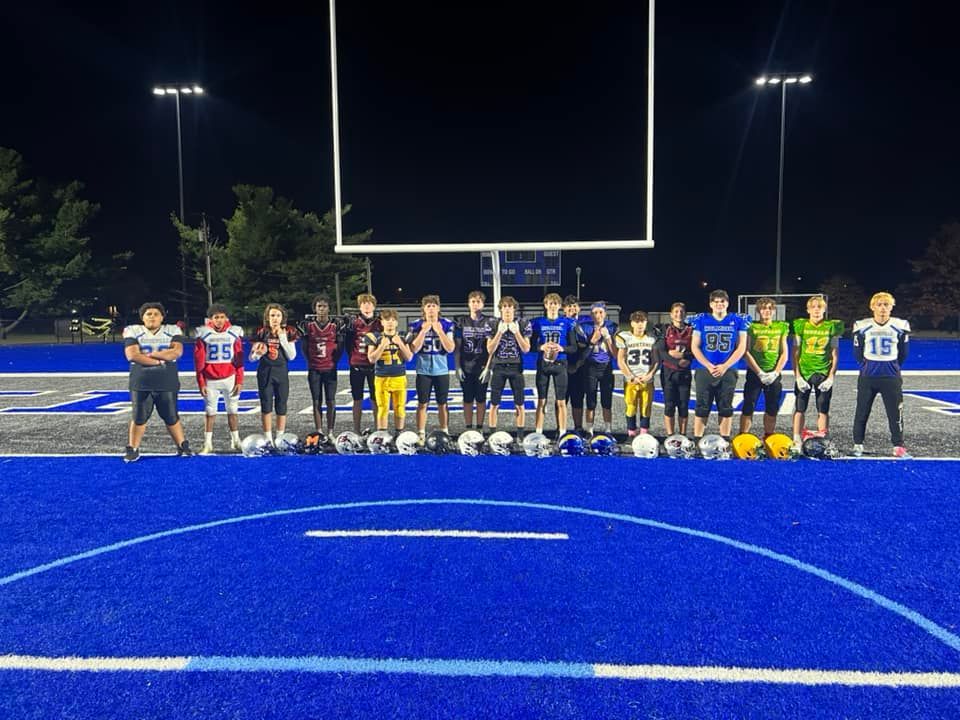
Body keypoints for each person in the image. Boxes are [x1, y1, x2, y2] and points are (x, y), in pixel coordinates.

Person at [122, 302, 192, 462]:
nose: (152, 316)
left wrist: (148, 356)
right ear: (142, 318)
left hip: (166, 380)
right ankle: (133, 448)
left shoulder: (172, 330)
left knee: (171, 415)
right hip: (141, 381)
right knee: (139, 416)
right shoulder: (133, 330)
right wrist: (158, 359)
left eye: (155, 314)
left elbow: (176, 352)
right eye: (148, 314)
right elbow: (132, 355)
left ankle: (182, 445)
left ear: (162, 317)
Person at [852, 292, 911, 458]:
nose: (883, 308)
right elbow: (857, 353)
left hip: (890, 376)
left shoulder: (900, 325)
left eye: (886, 304)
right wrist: (866, 365)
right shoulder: (862, 326)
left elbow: (903, 353)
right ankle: (858, 444)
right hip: (868, 376)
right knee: (862, 412)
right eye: (879, 304)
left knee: (895, 413)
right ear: (872, 307)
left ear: (892, 307)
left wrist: (892, 366)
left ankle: (898, 445)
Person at [690, 289, 749, 442]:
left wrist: (725, 365)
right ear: (711, 304)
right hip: (704, 368)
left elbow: (741, 347)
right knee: (702, 406)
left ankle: (724, 440)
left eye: (722, 301)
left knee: (726, 406)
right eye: (716, 302)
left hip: (729, 369)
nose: (719, 304)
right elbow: (695, 346)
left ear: (727, 303)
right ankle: (698, 440)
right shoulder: (701, 320)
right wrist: (709, 365)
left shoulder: (737, 320)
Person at [791, 295, 843, 446]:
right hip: (805, 371)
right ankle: (796, 437)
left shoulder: (831, 327)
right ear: (808, 310)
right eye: (813, 307)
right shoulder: (801, 326)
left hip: (823, 371)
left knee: (823, 407)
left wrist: (831, 377)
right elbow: (795, 353)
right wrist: (798, 376)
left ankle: (822, 438)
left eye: (819, 307)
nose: (816, 310)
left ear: (824, 309)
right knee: (800, 407)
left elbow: (835, 354)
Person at [194, 303, 245, 454]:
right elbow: (199, 362)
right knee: (210, 412)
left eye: (222, 317)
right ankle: (208, 443)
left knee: (233, 410)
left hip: (230, 377)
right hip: (210, 379)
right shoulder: (203, 334)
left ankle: (235, 440)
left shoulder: (234, 332)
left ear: (226, 318)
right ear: (210, 319)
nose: (219, 320)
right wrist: (201, 381)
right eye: (216, 317)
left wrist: (240, 380)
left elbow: (239, 358)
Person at [407, 295, 456, 444]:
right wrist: (423, 331)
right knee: (422, 403)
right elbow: (413, 349)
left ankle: (444, 430)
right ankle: (421, 433)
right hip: (423, 370)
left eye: (434, 306)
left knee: (443, 403)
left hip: (441, 370)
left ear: (438, 308)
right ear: (423, 309)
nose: (431, 309)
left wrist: (439, 331)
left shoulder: (447, 324)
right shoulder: (416, 325)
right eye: (428, 306)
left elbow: (450, 348)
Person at [249, 303, 299, 445]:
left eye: (278, 315)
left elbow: (292, 356)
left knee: (281, 404)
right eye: (272, 315)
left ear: (282, 317)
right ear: (267, 317)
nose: (275, 318)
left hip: (281, 371)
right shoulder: (261, 332)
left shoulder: (288, 331)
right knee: (266, 404)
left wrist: (282, 338)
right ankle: (268, 438)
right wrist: (257, 354)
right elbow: (251, 358)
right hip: (265, 371)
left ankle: (280, 437)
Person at [740, 297, 789, 438]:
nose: (766, 311)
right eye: (763, 308)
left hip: (773, 373)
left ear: (774, 311)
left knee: (772, 408)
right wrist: (759, 372)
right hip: (755, 372)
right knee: (749, 406)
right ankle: (743, 437)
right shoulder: (751, 326)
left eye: (769, 308)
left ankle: (768, 436)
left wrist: (775, 372)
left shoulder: (781, 326)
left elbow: (784, 352)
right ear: (758, 311)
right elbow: (746, 351)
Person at [530, 293, 578, 436]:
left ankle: (562, 433)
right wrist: (541, 347)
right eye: (550, 303)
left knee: (561, 401)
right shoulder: (538, 323)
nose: (552, 306)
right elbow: (530, 346)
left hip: (560, 364)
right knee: (541, 400)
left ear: (559, 306)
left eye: (555, 304)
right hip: (543, 364)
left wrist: (562, 348)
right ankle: (538, 433)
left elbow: (574, 347)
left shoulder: (567, 323)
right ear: (545, 305)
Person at [486, 296, 532, 439]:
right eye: (504, 307)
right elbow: (490, 349)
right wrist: (499, 333)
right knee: (494, 403)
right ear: (500, 309)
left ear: (514, 309)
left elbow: (526, 349)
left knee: (519, 403)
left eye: (509, 307)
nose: (507, 310)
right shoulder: (493, 324)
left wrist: (516, 332)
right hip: (499, 367)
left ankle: (520, 435)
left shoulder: (523, 323)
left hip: (516, 367)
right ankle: (492, 435)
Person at [365, 308, 414, 432]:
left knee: (400, 407)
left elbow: (409, 357)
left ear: (397, 322)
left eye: (393, 320)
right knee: (382, 407)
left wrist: (400, 344)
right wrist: (382, 346)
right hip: (382, 378)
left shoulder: (403, 336)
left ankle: (399, 433)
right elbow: (371, 358)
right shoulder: (375, 337)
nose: (390, 322)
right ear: (382, 322)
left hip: (399, 377)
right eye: (387, 320)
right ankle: (382, 435)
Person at [454, 290, 497, 431]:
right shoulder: (461, 321)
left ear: (483, 304)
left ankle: (478, 428)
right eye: (472, 301)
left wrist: (488, 368)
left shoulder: (489, 321)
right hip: (466, 365)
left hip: (481, 365)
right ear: (468, 304)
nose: (475, 304)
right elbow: (458, 347)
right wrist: (457, 366)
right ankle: (468, 428)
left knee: (481, 398)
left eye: (478, 301)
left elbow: (491, 348)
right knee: (467, 398)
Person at [303, 295, 343, 434]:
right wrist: (312, 362)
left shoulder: (334, 326)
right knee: (316, 400)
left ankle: (331, 431)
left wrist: (333, 362)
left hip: (330, 368)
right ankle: (319, 431)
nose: (321, 309)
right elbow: (305, 348)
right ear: (315, 308)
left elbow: (340, 348)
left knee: (331, 400)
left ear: (329, 308)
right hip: (314, 369)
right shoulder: (309, 326)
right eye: (319, 306)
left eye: (324, 306)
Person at [615, 310, 660, 437]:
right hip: (631, 380)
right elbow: (620, 359)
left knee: (646, 407)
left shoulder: (652, 338)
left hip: (647, 379)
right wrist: (630, 376)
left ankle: (644, 433)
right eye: (637, 322)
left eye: (643, 321)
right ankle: (631, 434)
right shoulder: (625, 337)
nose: (640, 325)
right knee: (631, 406)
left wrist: (650, 374)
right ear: (632, 323)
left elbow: (656, 360)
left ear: (646, 323)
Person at [344, 294, 381, 433]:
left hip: (374, 366)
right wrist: (354, 358)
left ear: (374, 306)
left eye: (369, 304)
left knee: (376, 399)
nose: (366, 306)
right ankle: (356, 430)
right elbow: (348, 344)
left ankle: (379, 428)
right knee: (357, 399)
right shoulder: (353, 323)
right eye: (364, 304)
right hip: (357, 365)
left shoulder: (379, 323)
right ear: (359, 307)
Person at [580, 301, 618, 435]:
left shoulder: (612, 327)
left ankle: (608, 430)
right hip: (590, 367)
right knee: (590, 400)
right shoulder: (585, 327)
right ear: (591, 314)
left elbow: (615, 354)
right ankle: (589, 430)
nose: (598, 315)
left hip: (606, 366)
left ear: (605, 314)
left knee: (606, 401)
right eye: (595, 312)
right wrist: (593, 339)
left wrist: (608, 338)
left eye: (601, 312)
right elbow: (583, 352)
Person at [657, 302, 694, 436]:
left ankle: (683, 435)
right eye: (676, 311)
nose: (679, 314)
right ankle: (670, 435)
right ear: (671, 314)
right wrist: (676, 362)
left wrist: (685, 356)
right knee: (670, 405)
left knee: (683, 405)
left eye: (681, 312)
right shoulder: (664, 329)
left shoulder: (692, 330)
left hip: (684, 372)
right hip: (669, 371)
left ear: (685, 314)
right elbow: (661, 351)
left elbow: (696, 350)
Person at [562, 295, 590, 433]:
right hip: (562, 365)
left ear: (579, 308)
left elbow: (588, 345)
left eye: (575, 306)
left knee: (578, 397)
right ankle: (560, 428)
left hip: (580, 365)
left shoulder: (585, 324)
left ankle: (578, 427)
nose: (572, 309)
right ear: (564, 309)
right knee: (561, 399)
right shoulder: (560, 323)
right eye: (569, 306)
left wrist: (578, 364)